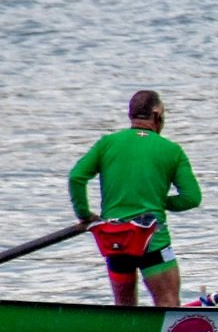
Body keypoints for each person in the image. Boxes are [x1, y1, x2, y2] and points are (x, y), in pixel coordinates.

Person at [68, 89, 203, 306]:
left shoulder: (107, 143)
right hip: (152, 240)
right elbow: (191, 198)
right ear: (157, 115)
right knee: (168, 302)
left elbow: (76, 177)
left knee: (124, 309)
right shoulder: (171, 150)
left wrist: (84, 214)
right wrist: (160, 202)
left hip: (115, 239)